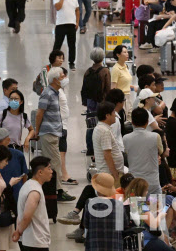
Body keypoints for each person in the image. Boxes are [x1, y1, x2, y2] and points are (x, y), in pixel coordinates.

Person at [35, 67, 75, 202]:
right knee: (54, 163)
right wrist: (37, 131)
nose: (65, 78)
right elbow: (40, 113)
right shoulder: (48, 94)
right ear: (55, 79)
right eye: (62, 76)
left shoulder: (55, 92)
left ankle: (56, 190)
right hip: (49, 132)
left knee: (55, 162)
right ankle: (57, 191)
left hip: (54, 132)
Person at [12, 156, 54, 250]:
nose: (51, 171)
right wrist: (18, 232)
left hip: (30, 240)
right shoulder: (34, 191)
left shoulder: (27, 184)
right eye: (49, 168)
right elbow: (27, 216)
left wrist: (18, 230)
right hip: (35, 241)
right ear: (40, 172)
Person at [81, 173, 128, 250]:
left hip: (94, 246)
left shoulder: (89, 203)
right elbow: (124, 224)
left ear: (96, 188)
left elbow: (86, 224)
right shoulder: (118, 205)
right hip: (114, 246)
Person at [123, 108, 164, 195]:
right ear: (147, 121)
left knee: (136, 207)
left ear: (132, 122)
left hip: (135, 182)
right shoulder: (155, 136)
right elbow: (161, 151)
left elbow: (126, 152)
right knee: (155, 206)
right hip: (153, 181)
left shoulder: (126, 138)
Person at [93, 101, 125, 186]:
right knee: (114, 198)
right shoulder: (104, 131)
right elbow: (107, 155)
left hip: (108, 174)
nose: (115, 115)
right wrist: (115, 175)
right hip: (109, 175)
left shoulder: (101, 128)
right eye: (113, 112)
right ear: (107, 115)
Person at [52, 0, 80, 70]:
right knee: (57, 44)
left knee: (72, 44)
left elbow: (77, 10)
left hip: (71, 24)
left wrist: (77, 22)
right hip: (60, 24)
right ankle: (54, 61)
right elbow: (58, 7)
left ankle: (72, 62)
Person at [82, 48, 111, 112]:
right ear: (103, 57)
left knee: (91, 119)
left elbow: (84, 87)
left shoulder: (88, 71)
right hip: (101, 100)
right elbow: (108, 88)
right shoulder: (105, 71)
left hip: (90, 100)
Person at [110, 45, 134, 114]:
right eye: (124, 52)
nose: (127, 54)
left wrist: (133, 87)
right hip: (121, 99)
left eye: (127, 52)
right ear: (118, 55)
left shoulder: (125, 66)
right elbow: (113, 88)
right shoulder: (116, 69)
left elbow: (124, 82)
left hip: (128, 97)